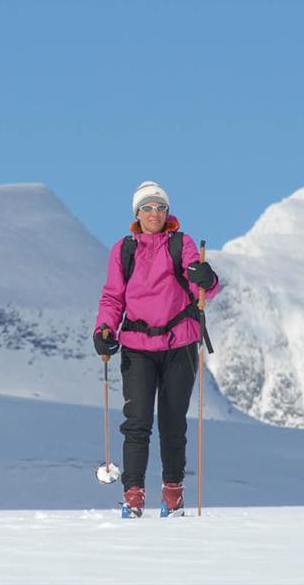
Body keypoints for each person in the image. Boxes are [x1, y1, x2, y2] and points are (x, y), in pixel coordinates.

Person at [92, 180, 219, 518]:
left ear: (167, 212)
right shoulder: (123, 250)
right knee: (137, 423)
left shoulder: (182, 244)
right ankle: (133, 496)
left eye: (160, 207)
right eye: (147, 207)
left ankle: (173, 495)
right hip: (137, 346)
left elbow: (201, 286)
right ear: (137, 212)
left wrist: (206, 277)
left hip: (179, 344)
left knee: (173, 421)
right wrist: (104, 328)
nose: (154, 213)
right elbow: (112, 296)